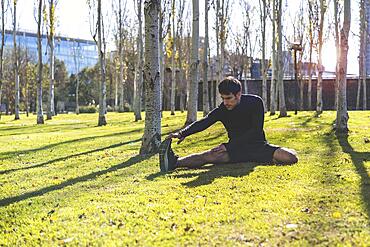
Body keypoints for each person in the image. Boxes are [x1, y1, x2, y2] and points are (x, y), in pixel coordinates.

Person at [159, 76, 298, 172]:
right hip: (236, 150)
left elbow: (256, 131)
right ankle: (174, 162)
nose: (225, 102)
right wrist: (183, 133)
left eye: (229, 98)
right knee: (209, 156)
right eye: (223, 98)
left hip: (258, 147)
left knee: (290, 157)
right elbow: (205, 121)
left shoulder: (255, 102)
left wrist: (227, 146)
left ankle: (281, 153)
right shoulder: (223, 109)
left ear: (238, 94)